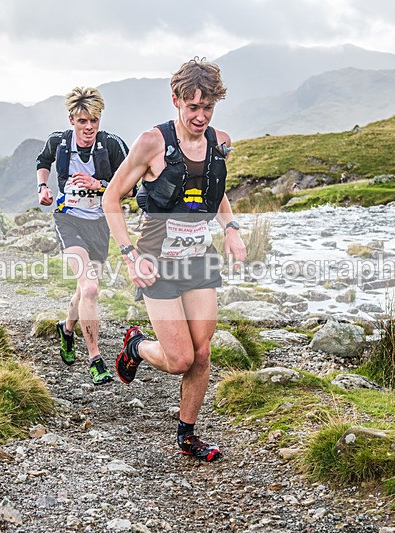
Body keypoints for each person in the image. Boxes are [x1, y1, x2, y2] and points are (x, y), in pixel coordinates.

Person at [102, 58, 247, 461]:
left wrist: (231, 229)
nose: (200, 117)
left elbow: (214, 191)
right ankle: (136, 346)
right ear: (176, 101)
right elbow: (110, 198)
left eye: (208, 108)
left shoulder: (220, 141)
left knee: (202, 353)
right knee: (180, 357)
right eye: (192, 107)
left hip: (200, 258)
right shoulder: (152, 143)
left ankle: (188, 435)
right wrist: (129, 254)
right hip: (156, 262)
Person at [36, 87, 129, 385]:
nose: (88, 127)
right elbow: (42, 161)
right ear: (72, 120)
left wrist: (99, 184)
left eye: (94, 121)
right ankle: (95, 359)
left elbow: (131, 187)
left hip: (100, 225)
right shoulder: (59, 142)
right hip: (69, 220)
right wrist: (43, 188)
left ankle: (67, 328)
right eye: (82, 121)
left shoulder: (113, 145)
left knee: (82, 290)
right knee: (89, 289)